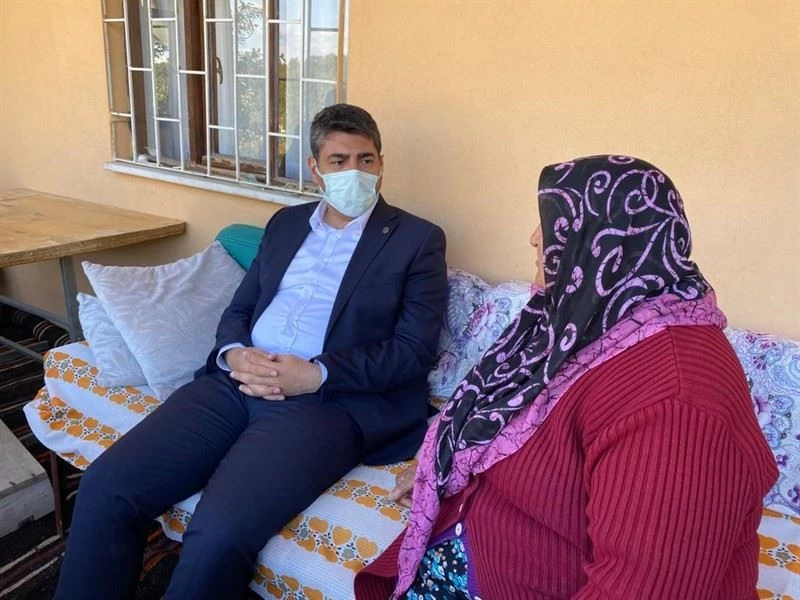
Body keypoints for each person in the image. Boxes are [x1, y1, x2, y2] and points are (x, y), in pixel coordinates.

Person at [55, 104, 448, 600]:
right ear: (315, 169)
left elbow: (413, 350)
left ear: (381, 164)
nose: (355, 171)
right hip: (234, 383)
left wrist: (318, 374)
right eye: (339, 160)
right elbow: (239, 309)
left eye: (366, 160)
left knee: (219, 534)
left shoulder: (416, 239)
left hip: (323, 404)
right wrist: (234, 352)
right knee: (107, 486)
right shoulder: (286, 224)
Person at [354, 155, 778, 599]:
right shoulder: (591, 323)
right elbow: (498, 413)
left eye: (554, 222)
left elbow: (640, 589)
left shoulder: (676, 404)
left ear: (612, 244)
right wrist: (442, 467)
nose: (535, 237)